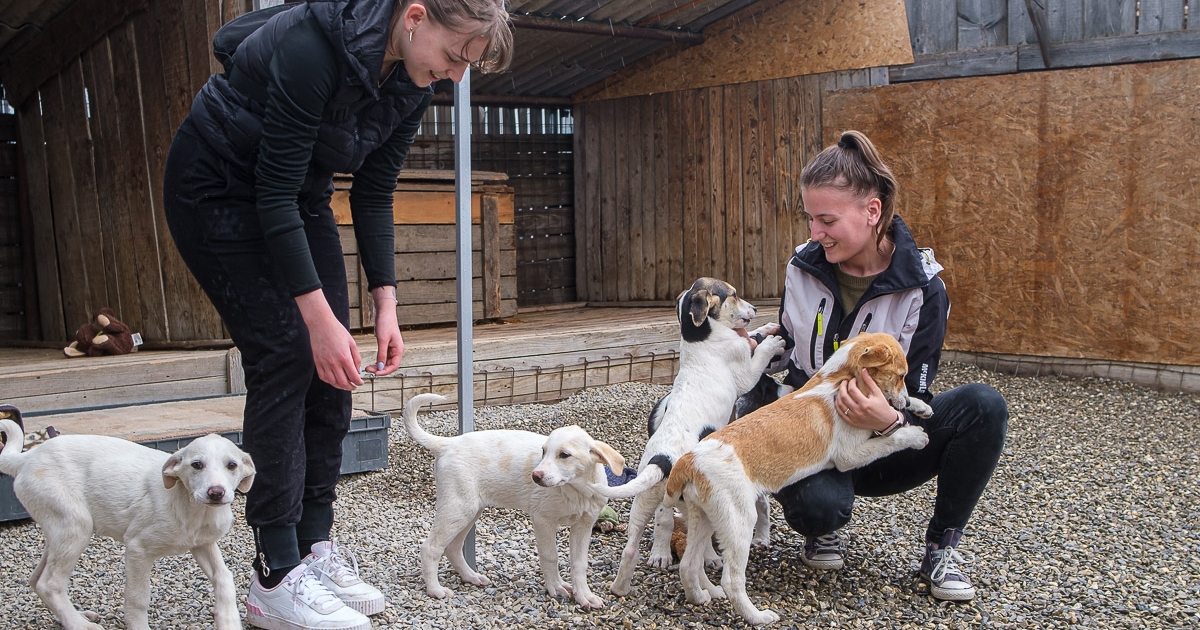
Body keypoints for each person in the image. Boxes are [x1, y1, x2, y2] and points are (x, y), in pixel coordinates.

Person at [161, 1, 512, 629]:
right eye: (456, 56)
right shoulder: (311, 47)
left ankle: (312, 548)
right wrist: (317, 320)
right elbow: (271, 192)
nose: (457, 76)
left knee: (336, 370)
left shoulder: (415, 77)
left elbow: (374, 190)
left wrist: (386, 303)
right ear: (416, 17)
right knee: (287, 355)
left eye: (469, 66)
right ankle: (274, 575)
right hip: (216, 188)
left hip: (298, 195)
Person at [747, 130, 1008, 602]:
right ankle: (817, 526)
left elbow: (918, 392)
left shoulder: (924, 288)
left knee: (984, 406)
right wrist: (755, 347)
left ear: (872, 212)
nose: (815, 233)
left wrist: (888, 421)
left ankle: (942, 548)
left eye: (827, 220)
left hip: (883, 440)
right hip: (812, 434)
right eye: (810, 218)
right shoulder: (801, 267)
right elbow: (790, 344)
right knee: (817, 507)